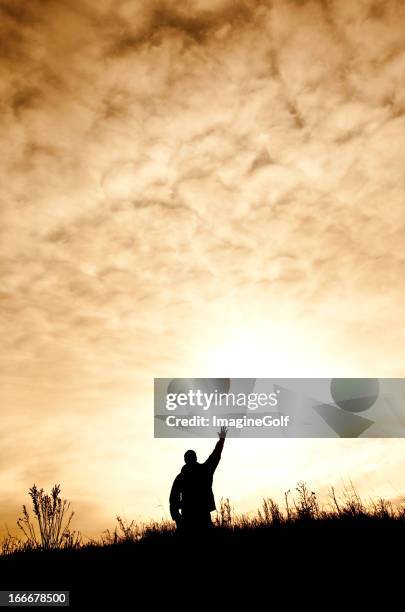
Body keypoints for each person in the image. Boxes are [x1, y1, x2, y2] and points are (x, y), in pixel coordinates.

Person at [169, 426, 228, 532]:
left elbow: (173, 499)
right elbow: (215, 456)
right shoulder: (202, 471)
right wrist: (222, 440)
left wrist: (176, 517)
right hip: (194, 514)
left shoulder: (187, 475)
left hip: (196, 513)